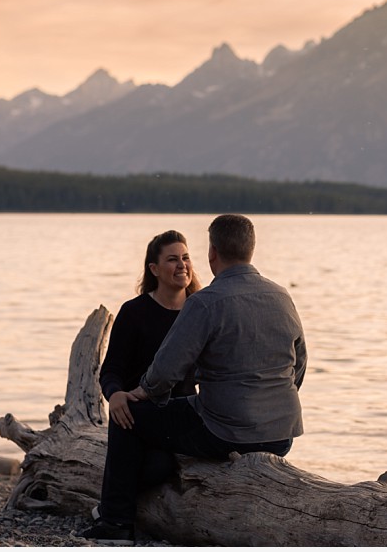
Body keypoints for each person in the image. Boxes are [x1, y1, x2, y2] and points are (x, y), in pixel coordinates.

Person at [82, 214, 307, 545]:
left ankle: (115, 522)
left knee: (128, 416)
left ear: (212, 252)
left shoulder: (205, 302)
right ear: (251, 249)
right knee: (168, 430)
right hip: (281, 436)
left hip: (225, 432)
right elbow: (299, 363)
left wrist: (141, 394)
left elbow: (165, 372)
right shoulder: (281, 296)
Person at [94, 230, 200, 502]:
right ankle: (111, 513)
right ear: (154, 269)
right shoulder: (134, 312)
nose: (182, 265)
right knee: (157, 467)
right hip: (138, 416)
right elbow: (111, 369)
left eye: (186, 258)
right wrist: (115, 394)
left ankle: (110, 508)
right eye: (173, 259)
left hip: (186, 416)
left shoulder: (202, 311)